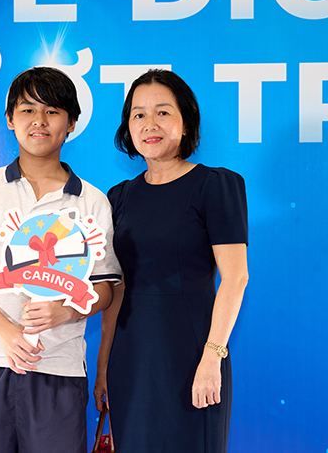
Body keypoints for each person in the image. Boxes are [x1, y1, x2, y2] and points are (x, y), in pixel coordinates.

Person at [0, 67, 122, 453]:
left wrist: (67, 310)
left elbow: (105, 288)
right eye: (27, 110)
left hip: (58, 368)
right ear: (10, 119)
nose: (39, 120)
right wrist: (7, 333)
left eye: (52, 111)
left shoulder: (92, 201)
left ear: (71, 123)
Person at [94, 69, 249, 452]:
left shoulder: (216, 185)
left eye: (163, 112)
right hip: (131, 360)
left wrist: (212, 358)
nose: (150, 124)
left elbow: (235, 278)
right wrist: (104, 366)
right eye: (139, 114)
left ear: (186, 121)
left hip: (193, 356)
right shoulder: (119, 197)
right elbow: (117, 288)